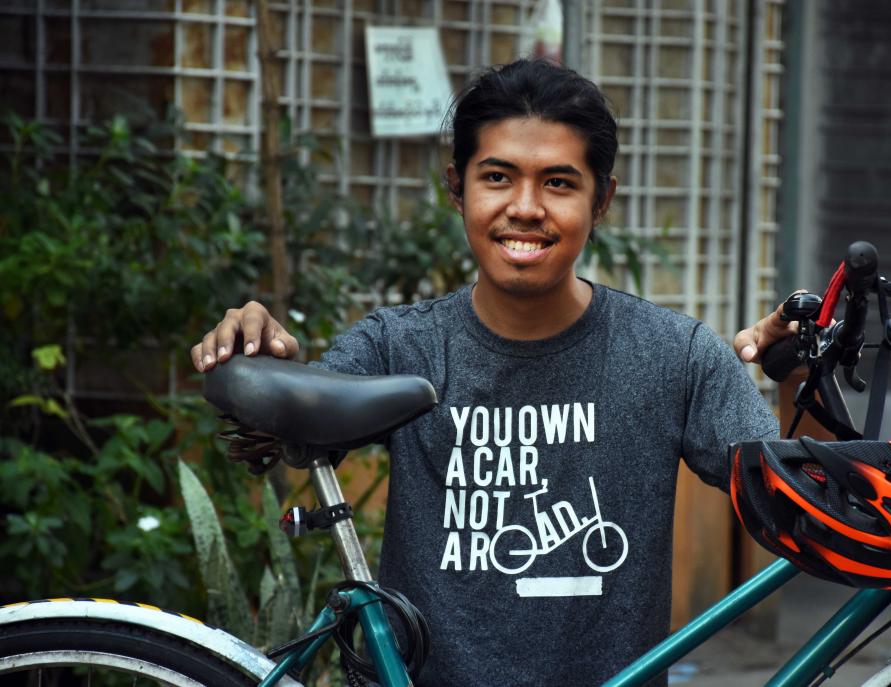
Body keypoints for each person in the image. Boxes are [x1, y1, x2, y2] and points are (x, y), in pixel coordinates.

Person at [192, 59, 793, 687]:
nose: (525, 208)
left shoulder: (677, 354)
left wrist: (801, 372)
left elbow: (798, 496)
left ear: (602, 198)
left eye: (559, 182)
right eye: (498, 177)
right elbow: (286, 434)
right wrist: (259, 357)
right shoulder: (399, 343)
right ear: (457, 188)